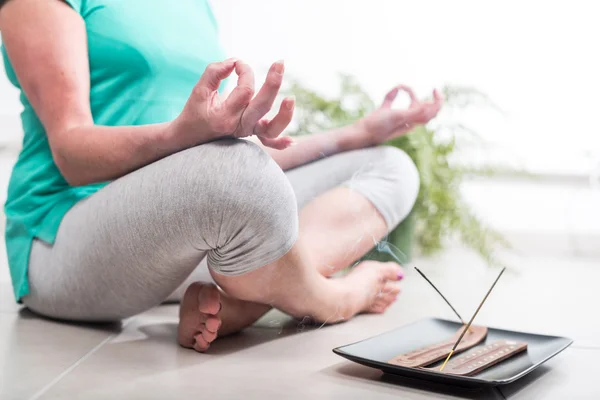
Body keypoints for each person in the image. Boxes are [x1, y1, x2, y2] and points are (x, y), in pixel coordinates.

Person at [0, 0, 442, 352]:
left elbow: (222, 159)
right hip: (64, 240)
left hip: (176, 240)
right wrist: (182, 134)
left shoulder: (195, 6)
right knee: (236, 172)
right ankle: (332, 299)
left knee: (389, 166)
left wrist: (359, 133)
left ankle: (243, 305)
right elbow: (71, 150)